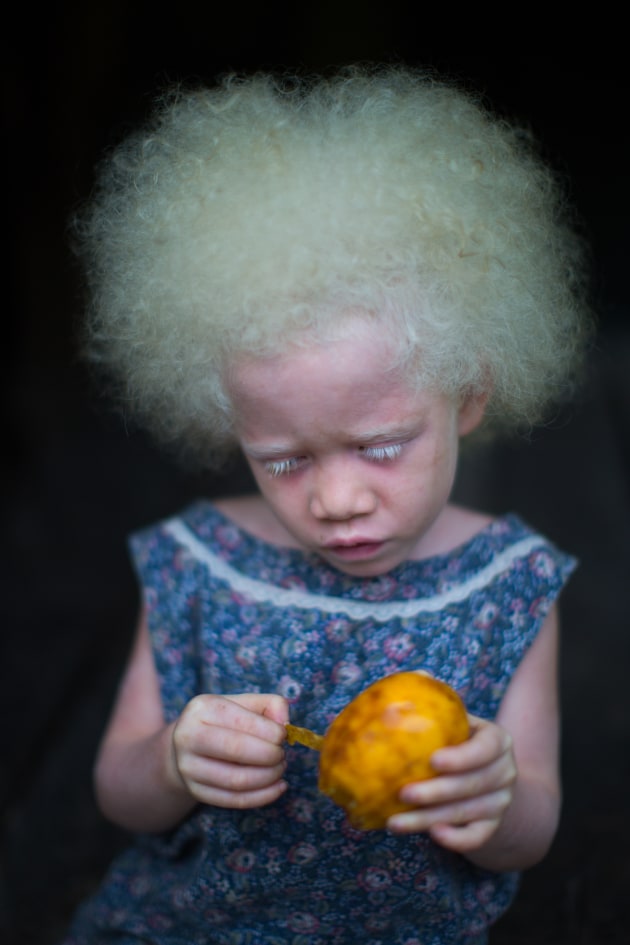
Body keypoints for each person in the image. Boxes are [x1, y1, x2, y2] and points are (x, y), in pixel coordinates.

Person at [63, 65, 591, 945]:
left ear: (467, 394)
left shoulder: (513, 581)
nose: (338, 498)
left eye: (383, 447)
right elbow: (119, 792)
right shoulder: (197, 563)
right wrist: (172, 758)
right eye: (281, 459)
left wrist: (493, 797)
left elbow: (531, 829)